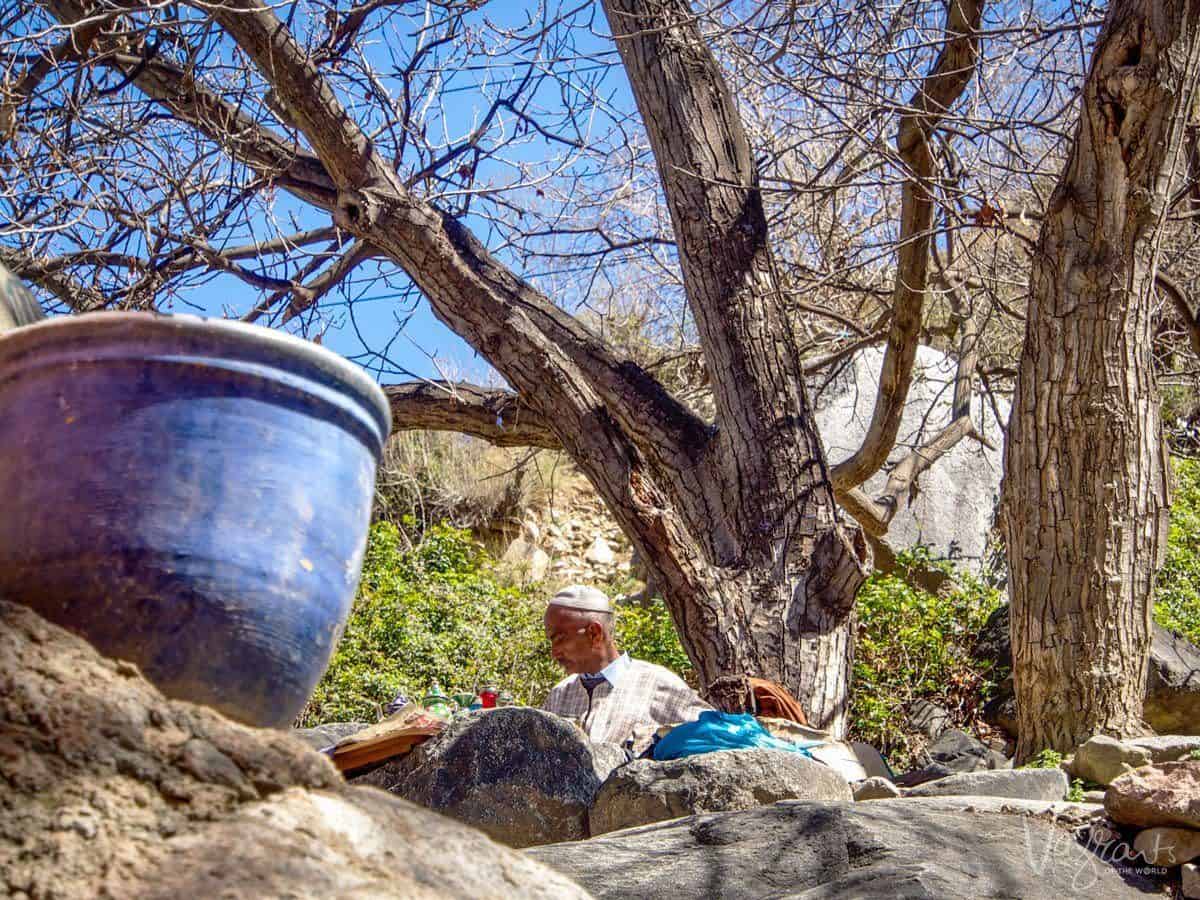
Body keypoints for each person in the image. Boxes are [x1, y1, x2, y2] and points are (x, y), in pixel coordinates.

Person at [541, 585, 709, 748]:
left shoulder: (657, 685)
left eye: (559, 638)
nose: (554, 653)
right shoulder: (559, 695)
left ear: (594, 633)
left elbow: (713, 738)